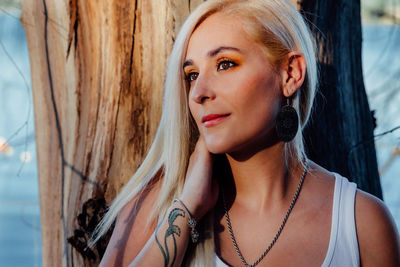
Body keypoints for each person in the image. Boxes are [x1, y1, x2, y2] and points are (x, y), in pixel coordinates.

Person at [92, 0, 400, 266]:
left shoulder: (361, 225)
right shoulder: (155, 208)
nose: (198, 92)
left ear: (290, 74)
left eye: (225, 64)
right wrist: (187, 209)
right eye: (192, 74)